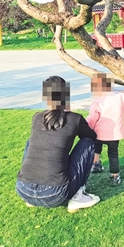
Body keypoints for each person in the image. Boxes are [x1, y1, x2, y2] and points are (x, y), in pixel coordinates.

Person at [16, 76, 100, 212]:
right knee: (88, 143)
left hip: (23, 189)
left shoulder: (37, 117)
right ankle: (78, 196)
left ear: (46, 97)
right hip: (55, 194)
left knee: (31, 142)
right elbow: (91, 137)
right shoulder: (75, 118)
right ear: (66, 95)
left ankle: (31, 198)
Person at [86, 73, 124, 185]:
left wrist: (88, 130)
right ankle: (115, 176)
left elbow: (92, 119)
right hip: (114, 135)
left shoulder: (97, 102)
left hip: (98, 134)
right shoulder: (120, 97)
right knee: (113, 154)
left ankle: (95, 164)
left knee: (96, 149)